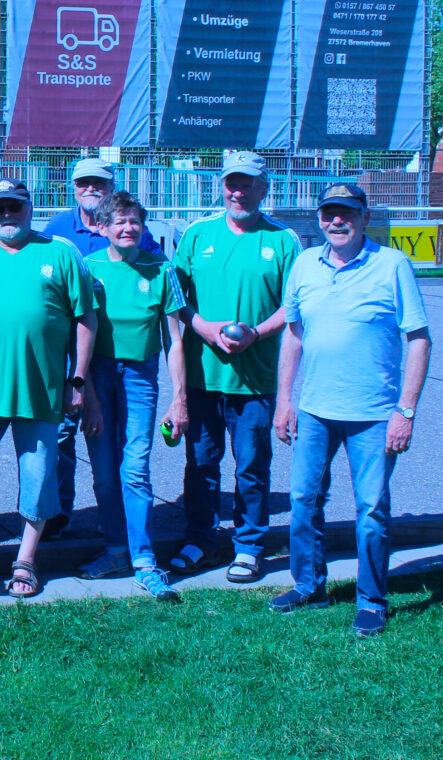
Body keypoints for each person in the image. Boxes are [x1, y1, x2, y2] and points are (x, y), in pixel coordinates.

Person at [270, 183, 431, 637]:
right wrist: (285, 401)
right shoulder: (304, 263)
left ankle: (372, 600)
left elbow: (418, 339)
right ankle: (308, 586)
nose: (335, 221)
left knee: (372, 509)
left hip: (375, 414)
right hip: (316, 410)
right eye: (328, 214)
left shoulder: (392, 265)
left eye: (346, 213)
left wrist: (406, 410)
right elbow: (294, 334)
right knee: (303, 500)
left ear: (364, 217)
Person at [0, 178, 98, 601]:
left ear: (30, 208)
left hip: (41, 389)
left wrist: (77, 380)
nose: (7, 215)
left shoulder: (61, 253)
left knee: (38, 475)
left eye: (15, 207)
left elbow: (85, 320)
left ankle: (26, 558)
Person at [170, 151, 302, 583]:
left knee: (251, 467)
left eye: (247, 184)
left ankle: (248, 546)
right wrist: (205, 328)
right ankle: (200, 539)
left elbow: (293, 306)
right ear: (221, 186)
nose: (238, 191)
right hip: (203, 376)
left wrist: (257, 334)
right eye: (232, 183)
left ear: (265, 187)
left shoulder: (283, 240)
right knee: (201, 464)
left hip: (256, 378)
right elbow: (176, 299)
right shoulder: (197, 234)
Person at [43, 158, 163, 540]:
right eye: (84, 183)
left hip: (113, 358)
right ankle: (59, 512)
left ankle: (110, 519)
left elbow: (155, 268)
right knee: (61, 435)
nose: (90, 188)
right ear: (73, 187)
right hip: (64, 355)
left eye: (99, 182)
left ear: (111, 187)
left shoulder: (130, 229)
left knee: (111, 444)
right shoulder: (57, 230)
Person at [75, 192, 187, 601]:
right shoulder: (88, 269)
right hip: (97, 377)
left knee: (135, 468)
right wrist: (84, 389)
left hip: (140, 377)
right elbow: (78, 337)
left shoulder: (162, 269)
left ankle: (144, 562)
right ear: (101, 228)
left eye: (134, 221)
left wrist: (180, 399)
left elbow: (174, 340)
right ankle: (116, 551)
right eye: (118, 222)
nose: (127, 228)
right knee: (104, 470)